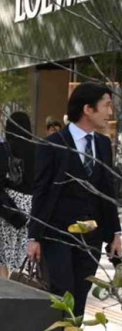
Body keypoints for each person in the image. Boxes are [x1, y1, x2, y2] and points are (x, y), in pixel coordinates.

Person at [28, 84, 121, 318]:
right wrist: (33, 237)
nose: (110, 113)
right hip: (57, 234)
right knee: (61, 291)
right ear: (88, 109)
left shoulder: (103, 144)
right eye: (106, 106)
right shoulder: (53, 144)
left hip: (91, 237)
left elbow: (107, 191)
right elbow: (41, 192)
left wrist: (115, 234)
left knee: (80, 294)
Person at [0, 112, 37, 279]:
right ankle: (20, 279)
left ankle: (4, 282)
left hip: (7, 203)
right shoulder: (37, 148)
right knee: (23, 246)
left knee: (2, 247)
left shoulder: (3, 148)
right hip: (30, 203)